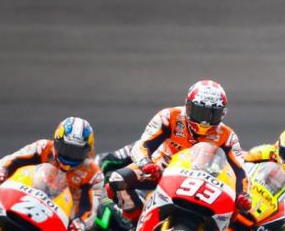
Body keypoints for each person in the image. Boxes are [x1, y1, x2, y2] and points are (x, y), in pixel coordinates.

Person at [107, 80, 250, 222]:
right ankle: (135, 222)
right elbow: (142, 145)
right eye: (200, 112)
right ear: (188, 106)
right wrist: (146, 163)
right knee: (117, 180)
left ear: (223, 114)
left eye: (213, 114)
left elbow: (241, 171)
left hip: (202, 180)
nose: (205, 121)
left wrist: (243, 195)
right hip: (161, 170)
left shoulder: (227, 136)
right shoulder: (169, 116)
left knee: (237, 210)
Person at [0, 117, 103, 231]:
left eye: (77, 152)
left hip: (60, 219)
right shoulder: (43, 147)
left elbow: (90, 208)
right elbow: (13, 159)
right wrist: (1, 170)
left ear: (87, 151)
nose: (69, 155)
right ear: (56, 141)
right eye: (65, 148)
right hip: (26, 196)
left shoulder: (93, 173)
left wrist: (80, 222)